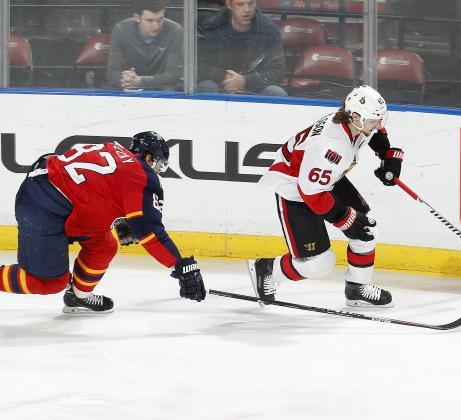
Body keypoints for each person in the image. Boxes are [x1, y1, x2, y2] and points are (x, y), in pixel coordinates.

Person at [0, 132, 206, 313]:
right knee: (49, 282)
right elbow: (151, 233)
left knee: (104, 245)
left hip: (47, 191)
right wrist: (181, 265)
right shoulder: (142, 174)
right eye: (158, 164)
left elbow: (55, 163)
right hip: (45, 207)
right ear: (149, 156)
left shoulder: (112, 149)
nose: (157, 170)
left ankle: (77, 297)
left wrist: (122, 218)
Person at [248, 85, 404, 307]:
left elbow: (376, 133)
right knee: (319, 264)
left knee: (366, 229)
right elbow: (311, 193)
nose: (377, 125)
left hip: (322, 179)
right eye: (373, 120)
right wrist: (344, 218)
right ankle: (268, 270)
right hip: (295, 188)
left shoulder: (353, 123)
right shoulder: (331, 147)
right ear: (356, 117)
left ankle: (357, 287)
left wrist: (388, 154)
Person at [197, 0, 287, 96]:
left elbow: (278, 70)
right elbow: (196, 65)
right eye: (240, 4)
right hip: (219, 83)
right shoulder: (210, 27)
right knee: (206, 87)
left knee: (276, 92)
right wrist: (223, 76)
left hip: (255, 87)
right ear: (229, 4)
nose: (247, 9)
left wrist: (245, 81)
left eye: (251, 4)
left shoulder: (269, 30)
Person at [107, 0, 183, 90]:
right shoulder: (121, 29)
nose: (156, 26)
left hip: (163, 89)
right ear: (137, 18)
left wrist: (139, 81)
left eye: (160, 19)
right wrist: (125, 79)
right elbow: (112, 72)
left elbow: (174, 75)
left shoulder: (175, 31)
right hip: (130, 87)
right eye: (149, 21)